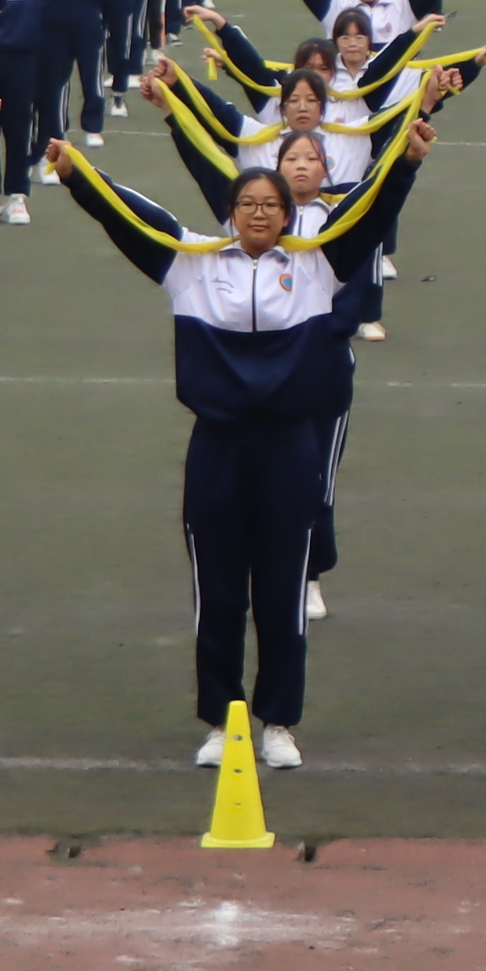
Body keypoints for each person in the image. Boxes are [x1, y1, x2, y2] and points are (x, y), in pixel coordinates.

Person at [42, 131, 434, 771]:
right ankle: (223, 720)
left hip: (288, 448)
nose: (258, 213)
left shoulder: (317, 265)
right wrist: (78, 176)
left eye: (270, 205)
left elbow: (371, 210)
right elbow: (134, 219)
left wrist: (407, 164)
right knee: (217, 593)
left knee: (281, 594)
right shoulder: (189, 263)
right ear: (231, 212)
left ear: (288, 216)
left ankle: (278, 722)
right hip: (217, 450)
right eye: (247, 203)